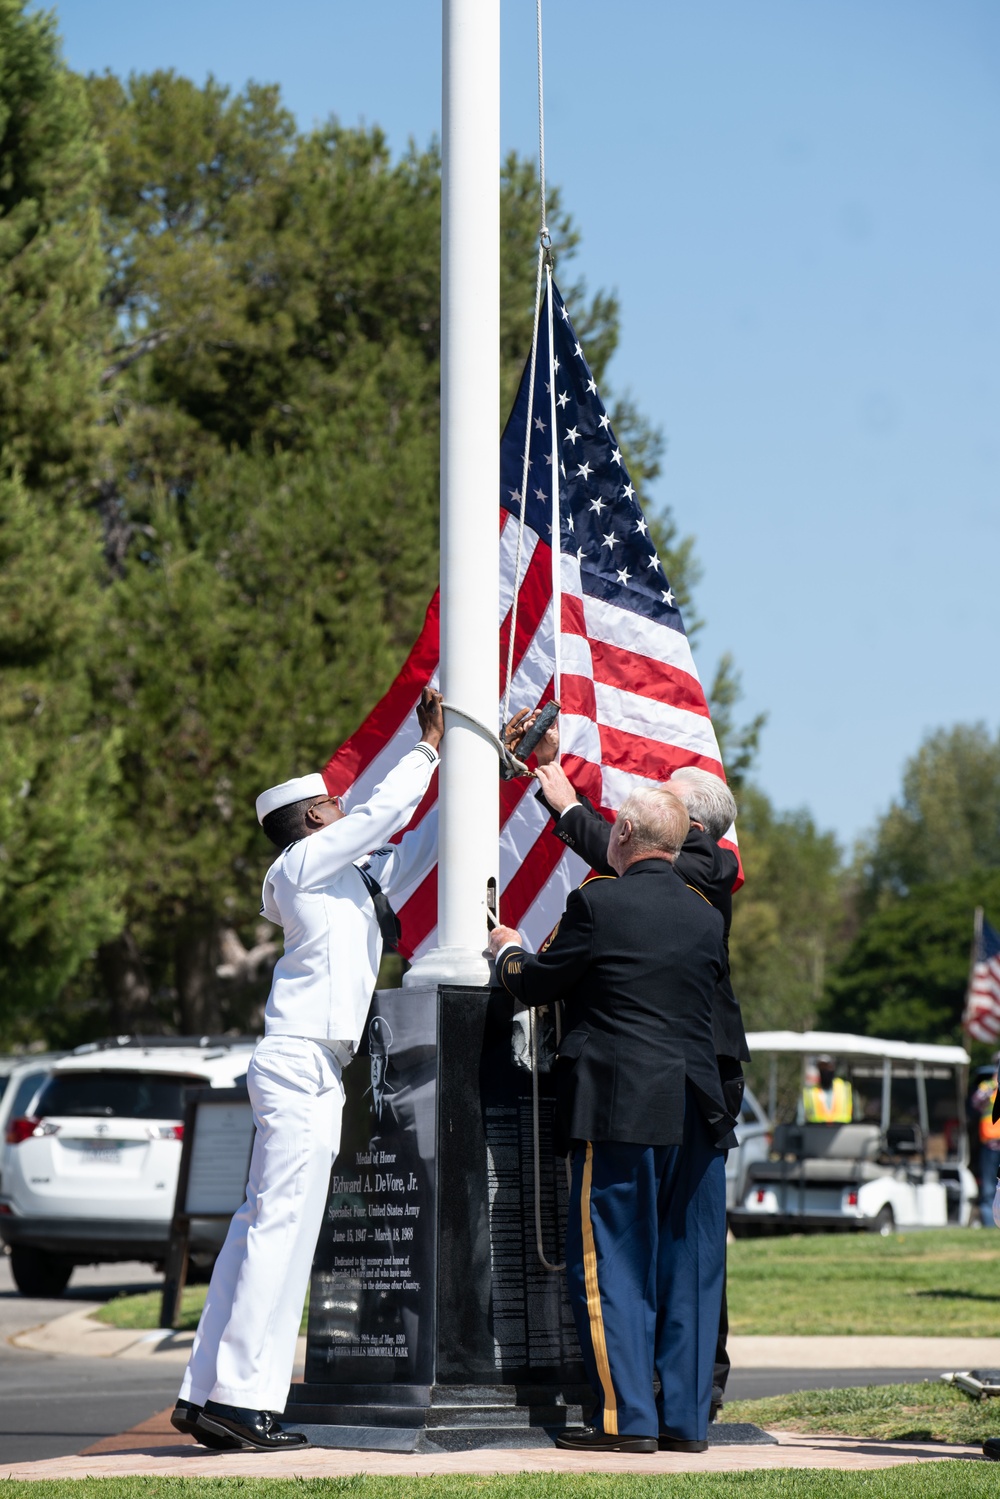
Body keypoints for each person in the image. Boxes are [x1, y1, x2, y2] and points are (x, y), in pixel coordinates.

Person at [171, 687, 444, 1452]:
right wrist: (423, 745)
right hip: (300, 1062)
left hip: (311, 1065)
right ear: (316, 819)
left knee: (260, 1226)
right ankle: (242, 1400)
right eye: (335, 803)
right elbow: (381, 817)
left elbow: (418, 842)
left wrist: (472, 761)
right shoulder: (298, 867)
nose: (345, 805)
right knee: (281, 1229)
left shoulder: (345, 880)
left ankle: (205, 1392)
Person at [505, 709, 747, 1417]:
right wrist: (560, 788)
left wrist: (510, 956)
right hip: (692, 1091)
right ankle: (684, 1415)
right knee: (686, 1260)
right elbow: (631, 846)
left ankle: (634, 1412)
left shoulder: (698, 870)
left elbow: (631, 855)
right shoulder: (696, 895)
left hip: (638, 1094)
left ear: (689, 830)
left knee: (623, 1255)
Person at [969, 1063, 1000, 1227]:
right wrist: (995, 1084)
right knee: (989, 1189)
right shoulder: (988, 1086)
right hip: (991, 1146)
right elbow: (976, 1103)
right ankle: (990, 1225)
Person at [802, 1055, 853, 1123]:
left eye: (828, 1067)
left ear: (833, 1067)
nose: (825, 1070)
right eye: (822, 1067)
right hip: (816, 1130)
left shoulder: (845, 1088)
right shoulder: (810, 1091)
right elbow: (801, 1117)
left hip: (842, 1130)